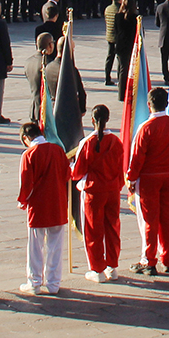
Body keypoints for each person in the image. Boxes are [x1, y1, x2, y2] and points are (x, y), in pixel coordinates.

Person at [127, 87, 169, 273]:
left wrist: (131, 179)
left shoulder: (145, 128)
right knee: (167, 219)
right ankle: (168, 258)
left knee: (150, 220)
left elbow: (137, 157)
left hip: (150, 178)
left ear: (149, 105)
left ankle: (149, 260)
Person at [71, 104, 124, 282]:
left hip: (94, 191)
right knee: (113, 228)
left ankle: (97, 269)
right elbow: (120, 167)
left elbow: (77, 172)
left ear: (92, 120)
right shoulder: (116, 141)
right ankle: (112, 266)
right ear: (108, 119)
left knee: (93, 230)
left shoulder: (87, 143)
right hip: (112, 189)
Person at [16, 121, 70, 295]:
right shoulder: (58, 151)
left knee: (35, 247)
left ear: (26, 138)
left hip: (38, 206)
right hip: (58, 204)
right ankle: (53, 282)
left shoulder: (29, 154)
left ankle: (34, 282)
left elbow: (26, 183)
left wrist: (22, 200)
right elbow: (67, 175)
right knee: (55, 246)